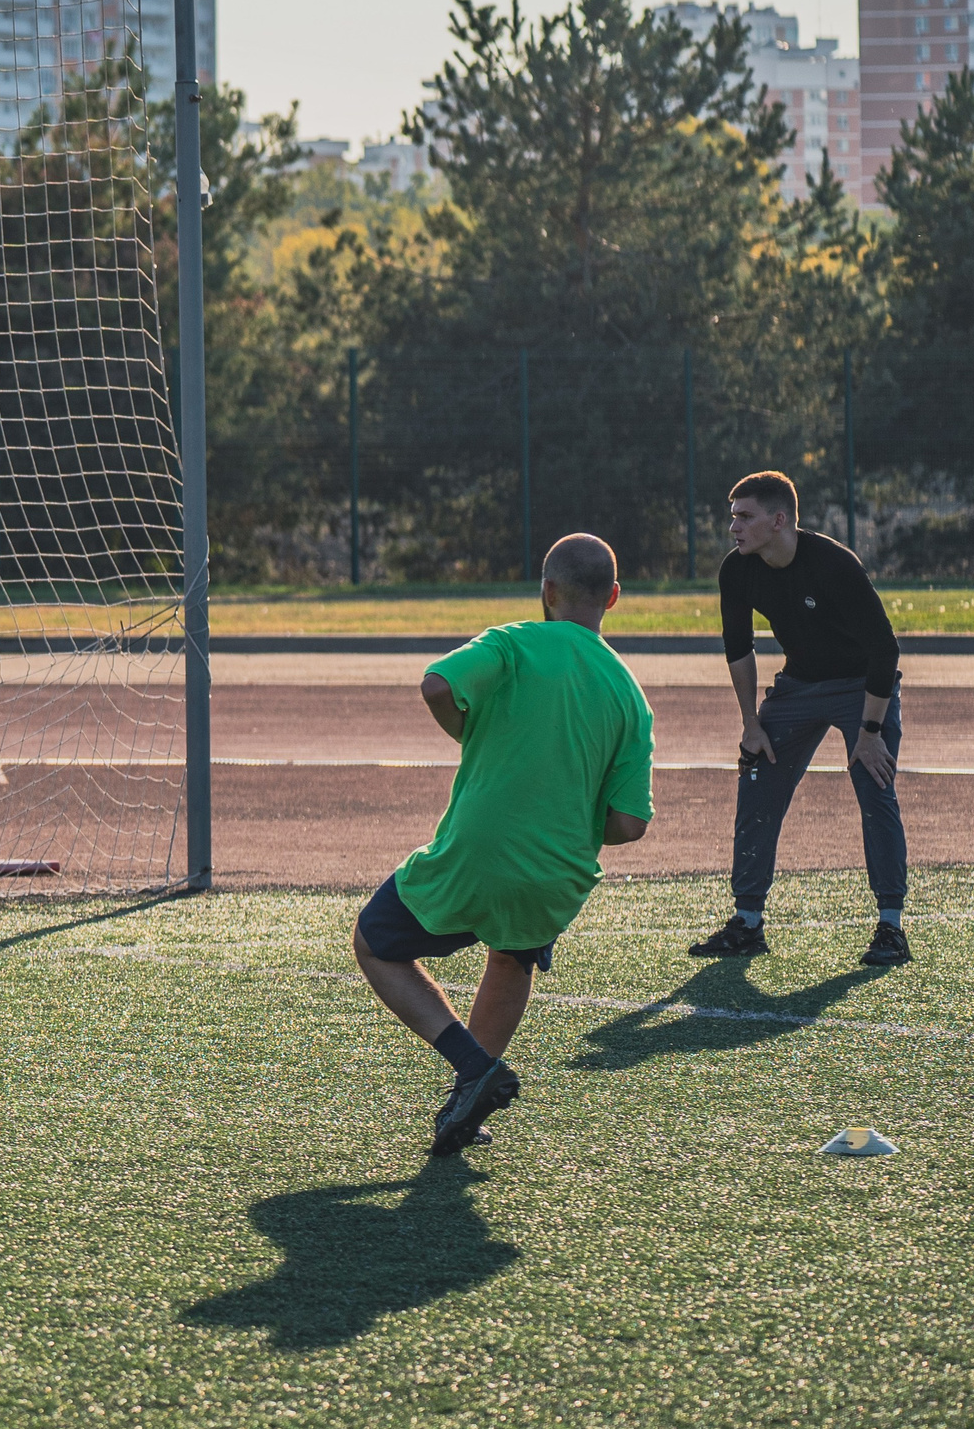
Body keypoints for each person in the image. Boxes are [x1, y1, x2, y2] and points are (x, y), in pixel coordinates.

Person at [353, 534, 655, 1157]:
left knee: (375, 941)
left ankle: (472, 1065)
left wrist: (470, 731)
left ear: (546, 591)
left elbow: (438, 685)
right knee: (513, 956)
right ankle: (465, 1105)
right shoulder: (630, 694)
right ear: (614, 598)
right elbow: (629, 824)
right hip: (559, 873)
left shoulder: (512, 640)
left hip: (477, 853)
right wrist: (569, 818)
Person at [690, 470, 910, 967]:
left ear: (779, 520)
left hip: (862, 689)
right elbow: (738, 649)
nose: (734, 528)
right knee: (756, 780)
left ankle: (891, 928)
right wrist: (751, 724)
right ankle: (747, 922)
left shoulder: (834, 564)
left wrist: (871, 733)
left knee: (876, 790)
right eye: (733, 517)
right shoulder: (737, 569)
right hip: (798, 687)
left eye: (744, 517)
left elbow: (884, 649)